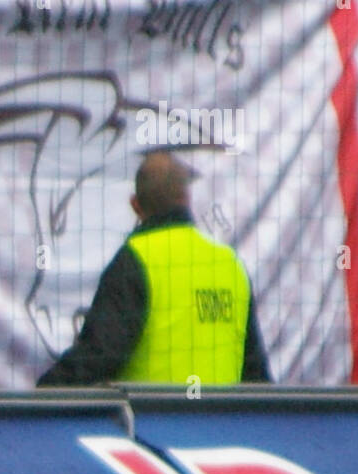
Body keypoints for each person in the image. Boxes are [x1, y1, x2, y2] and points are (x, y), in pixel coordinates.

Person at [37, 150, 271, 386]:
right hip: (221, 422)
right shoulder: (230, 264)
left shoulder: (134, 261)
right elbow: (256, 374)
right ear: (187, 198)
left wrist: (45, 393)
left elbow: (99, 355)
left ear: (135, 205)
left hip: (149, 421)